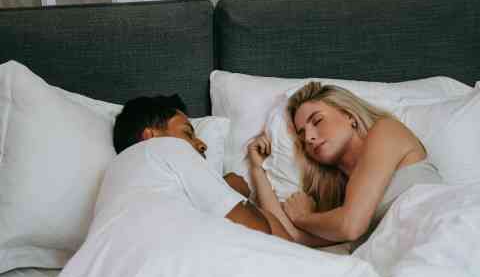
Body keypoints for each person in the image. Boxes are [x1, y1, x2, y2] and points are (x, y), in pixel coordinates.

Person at [246, 81, 443, 249]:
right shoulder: (345, 202)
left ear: (349, 115)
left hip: (442, 232)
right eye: (302, 134)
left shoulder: (386, 131)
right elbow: (291, 236)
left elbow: (350, 226)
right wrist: (257, 169)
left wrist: (302, 216)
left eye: (317, 121)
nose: (309, 137)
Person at [111, 94, 293, 241]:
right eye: (187, 133)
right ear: (150, 136)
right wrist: (230, 190)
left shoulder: (116, 172)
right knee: (267, 219)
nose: (202, 145)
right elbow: (257, 232)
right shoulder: (168, 147)